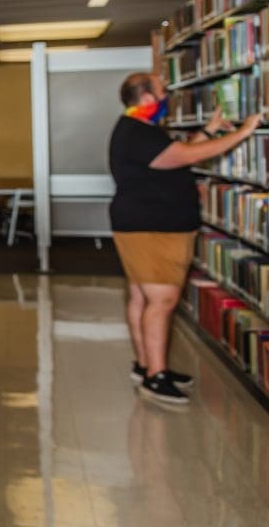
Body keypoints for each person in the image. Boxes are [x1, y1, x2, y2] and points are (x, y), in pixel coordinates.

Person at [107, 72, 260, 406]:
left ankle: (146, 364)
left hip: (147, 225)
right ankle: (155, 377)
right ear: (147, 97)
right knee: (161, 300)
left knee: (141, 296)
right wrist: (244, 132)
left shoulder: (139, 129)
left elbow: (171, 154)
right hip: (153, 229)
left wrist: (206, 131)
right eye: (162, 92)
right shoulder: (136, 132)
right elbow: (185, 157)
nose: (166, 97)